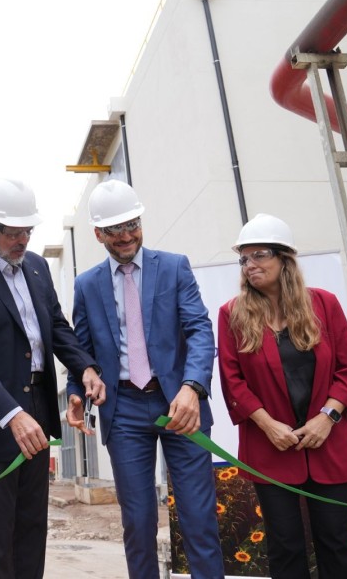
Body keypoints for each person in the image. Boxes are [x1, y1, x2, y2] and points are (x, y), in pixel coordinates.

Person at [0, 177, 105, 579]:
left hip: (38, 411)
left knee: (32, 529)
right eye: (13, 233)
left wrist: (85, 367)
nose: (23, 241)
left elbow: (57, 327)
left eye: (27, 231)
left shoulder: (36, 267)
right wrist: (11, 414)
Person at [65, 180, 225, 579]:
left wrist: (193, 387)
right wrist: (76, 392)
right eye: (114, 229)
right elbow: (81, 352)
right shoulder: (87, 285)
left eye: (132, 225)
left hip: (180, 404)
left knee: (198, 518)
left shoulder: (174, 267)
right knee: (137, 522)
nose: (126, 236)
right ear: (98, 233)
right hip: (124, 411)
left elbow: (199, 330)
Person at [217, 213, 347, 579]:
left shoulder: (325, 305)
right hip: (270, 445)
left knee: (338, 540)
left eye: (260, 255)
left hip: (328, 441)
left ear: (284, 258)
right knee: (284, 545)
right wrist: (268, 425)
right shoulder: (232, 314)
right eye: (244, 258)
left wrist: (326, 419)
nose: (250, 265)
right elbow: (233, 382)